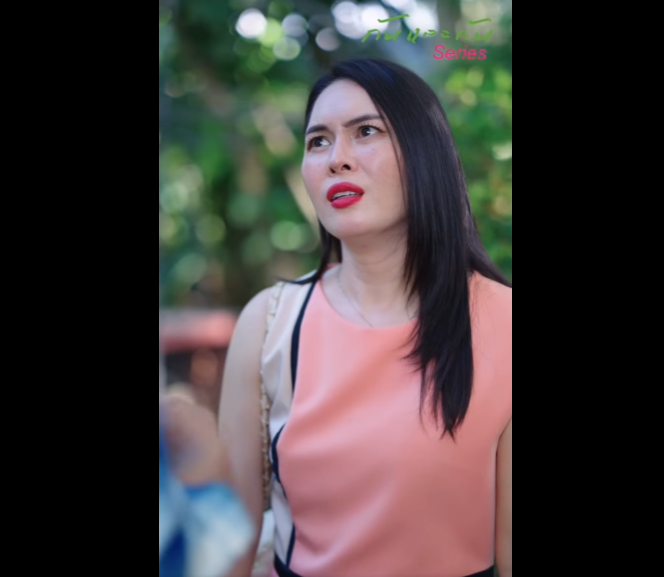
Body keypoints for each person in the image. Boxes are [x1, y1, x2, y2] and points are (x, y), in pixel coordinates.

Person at [219, 58, 512, 577]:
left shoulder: (502, 322)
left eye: (366, 131)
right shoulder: (269, 323)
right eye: (318, 141)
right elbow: (226, 545)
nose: (337, 159)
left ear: (424, 151)